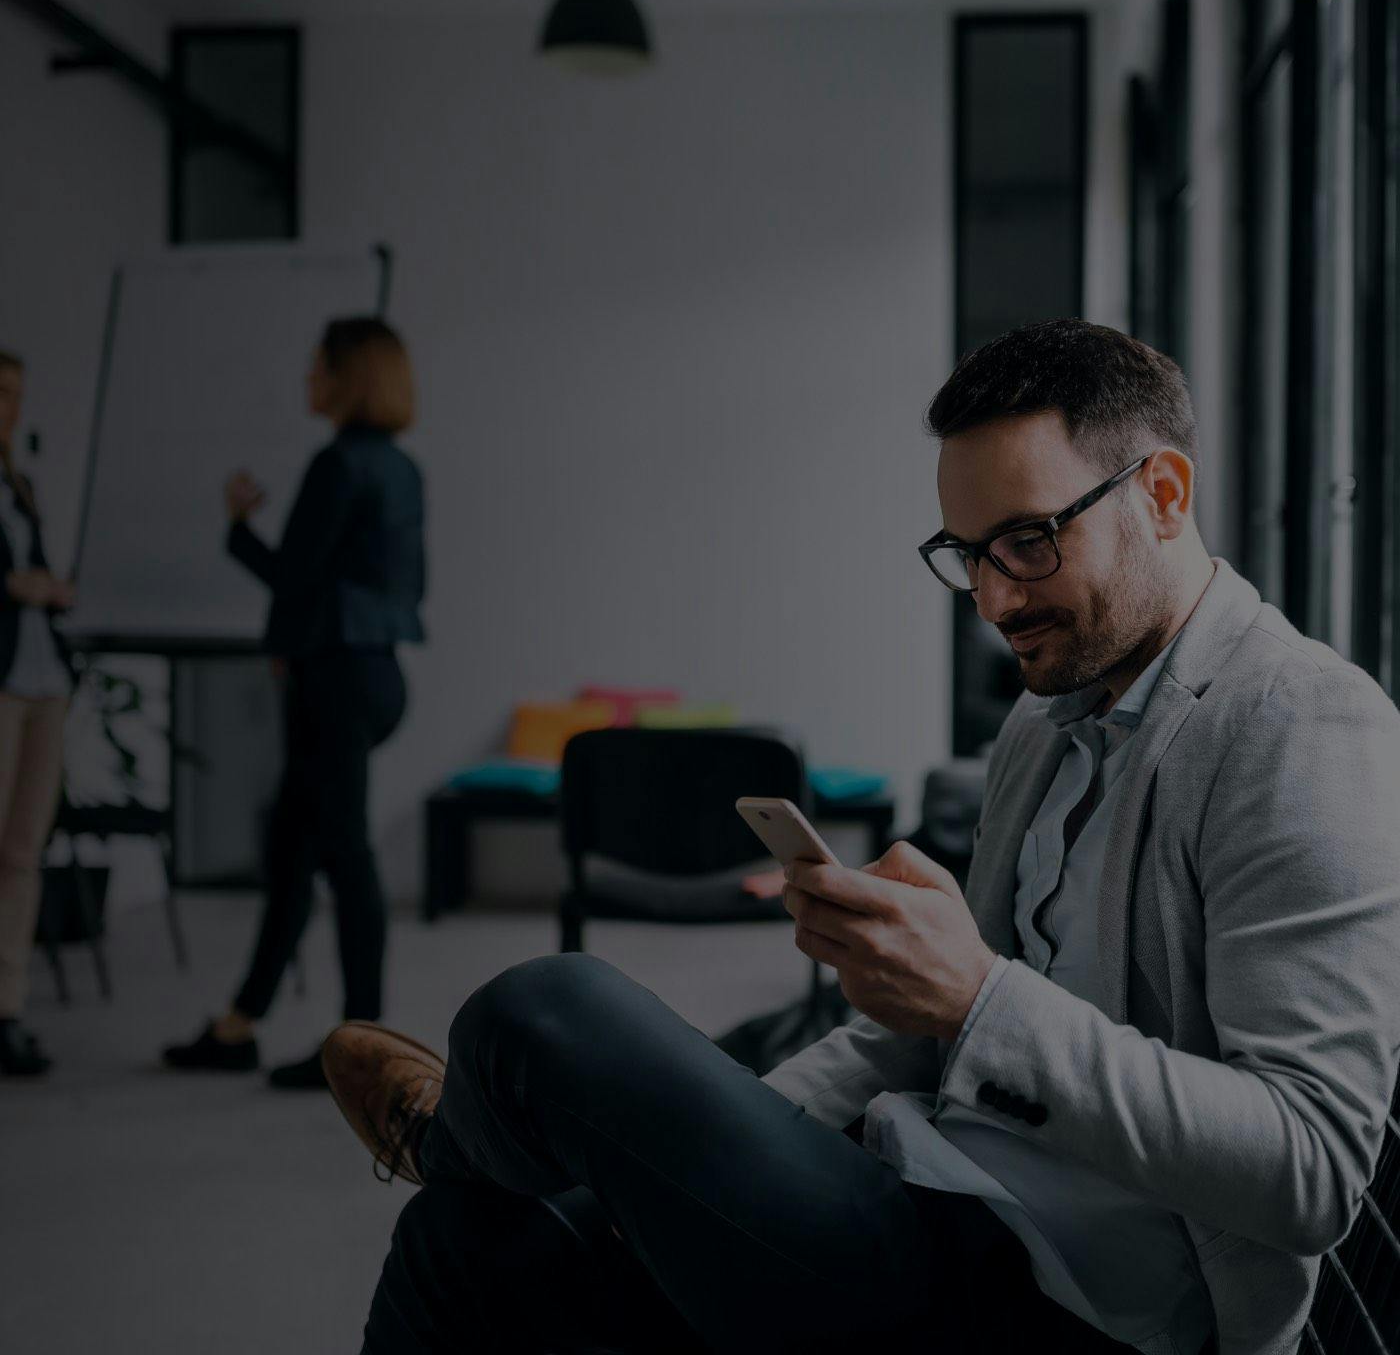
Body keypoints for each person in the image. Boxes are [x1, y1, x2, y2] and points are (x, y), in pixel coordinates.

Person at [321, 320, 1400, 1353]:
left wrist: (976, 995)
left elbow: (1308, 1166)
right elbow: (918, 1036)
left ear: (1161, 494)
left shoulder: (1296, 721)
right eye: (965, 553)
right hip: (914, 1188)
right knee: (460, 1242)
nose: (990, 598)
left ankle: (446, 1142)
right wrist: (693, 1154)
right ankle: (479, 1164)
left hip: (1078, 1301)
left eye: (1027, 540)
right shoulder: (1043, 719)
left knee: (547, 1009)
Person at [165, 318, 425, 1089]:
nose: (307, 382)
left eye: (318, 370)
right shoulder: (401, 468)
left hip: (333, 682)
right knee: (294, 849)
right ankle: (239, 1023)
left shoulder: (336, 464)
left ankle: (368, 1050)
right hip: (376, 675)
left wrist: (239, 529)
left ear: (351, 379)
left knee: (342, 857)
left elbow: (296, 578)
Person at [0, 351, 76, 1078]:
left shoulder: (19, 487)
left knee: (22, 852)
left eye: (16, 394)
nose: (8, 407)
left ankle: (8, 1008)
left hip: (43, 684)